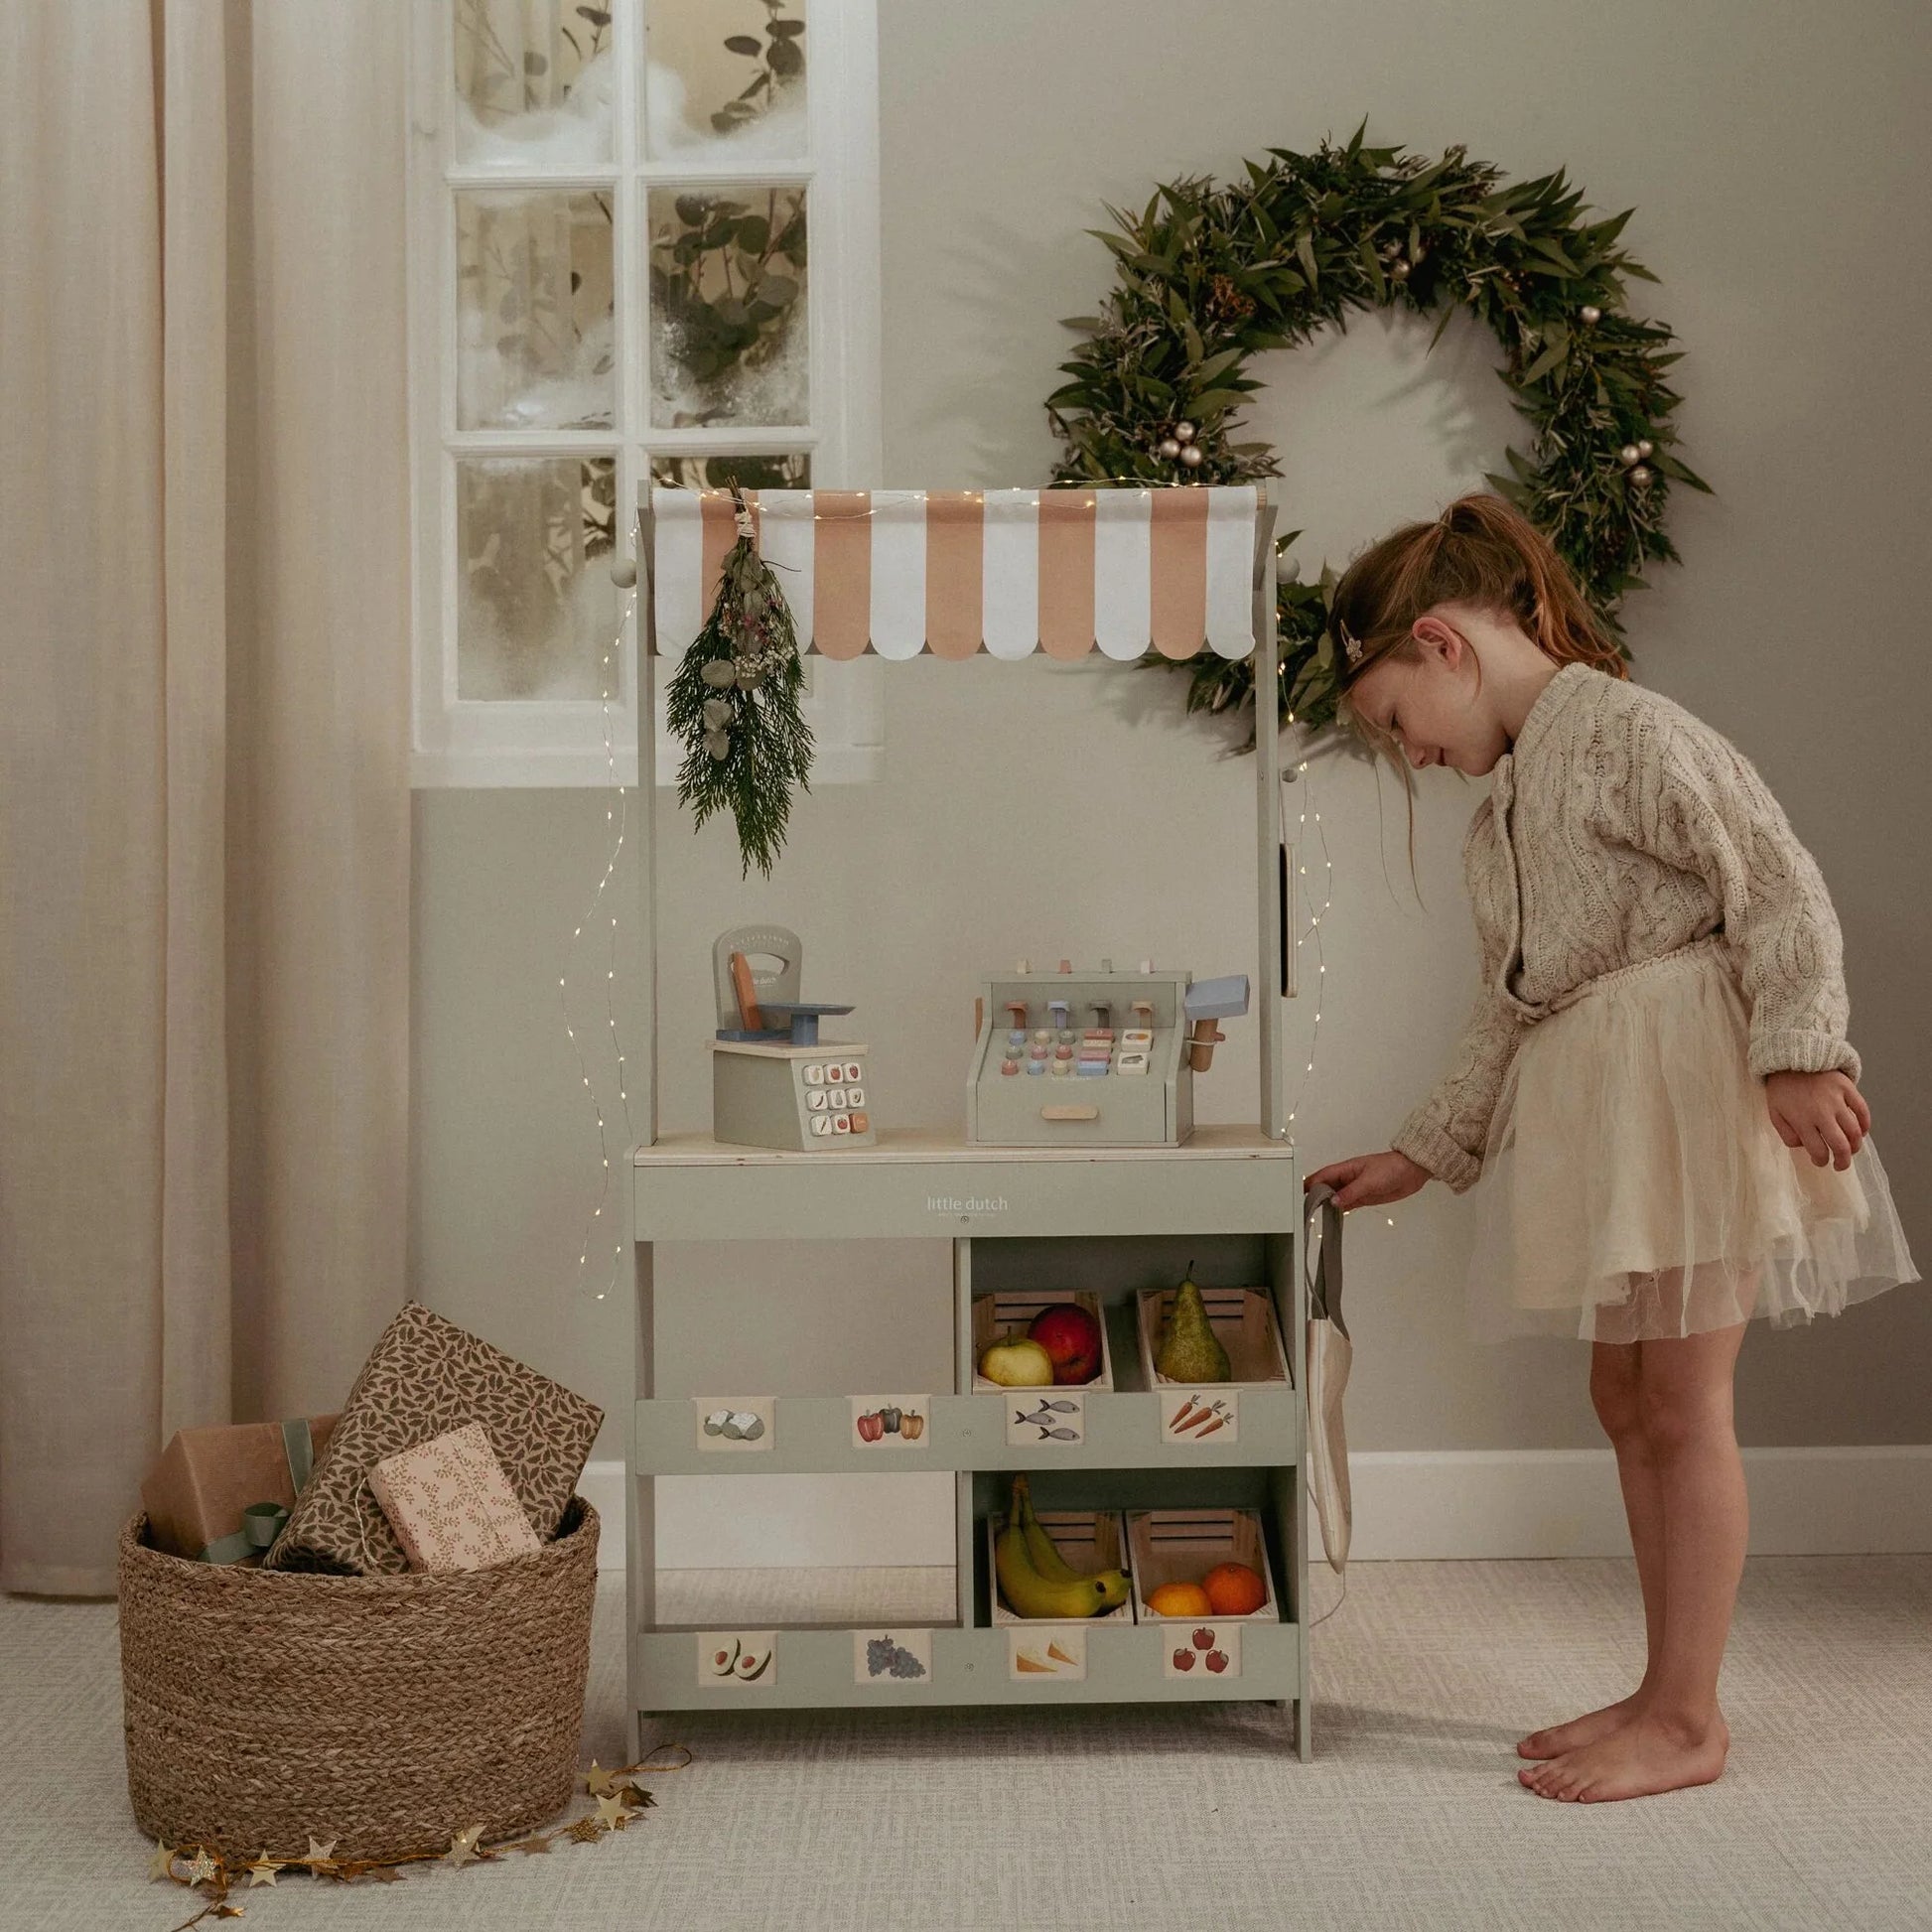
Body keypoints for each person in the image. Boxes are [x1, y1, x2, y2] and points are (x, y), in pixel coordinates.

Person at [1304, 493, 1918, 1804]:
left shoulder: (1632, 734)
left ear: (1440, 644)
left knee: (1683, 1405)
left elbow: (1774, 884)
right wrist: (1423, 1151)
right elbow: (1509, 1002)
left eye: (1396, 725)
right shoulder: (1507, 809)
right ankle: (1659, 1687)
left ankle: (1687, 1716)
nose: (1409, 756)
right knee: (1624, 1402)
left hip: (1692, 1092)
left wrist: (1802, 1050)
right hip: (1614, 1111)